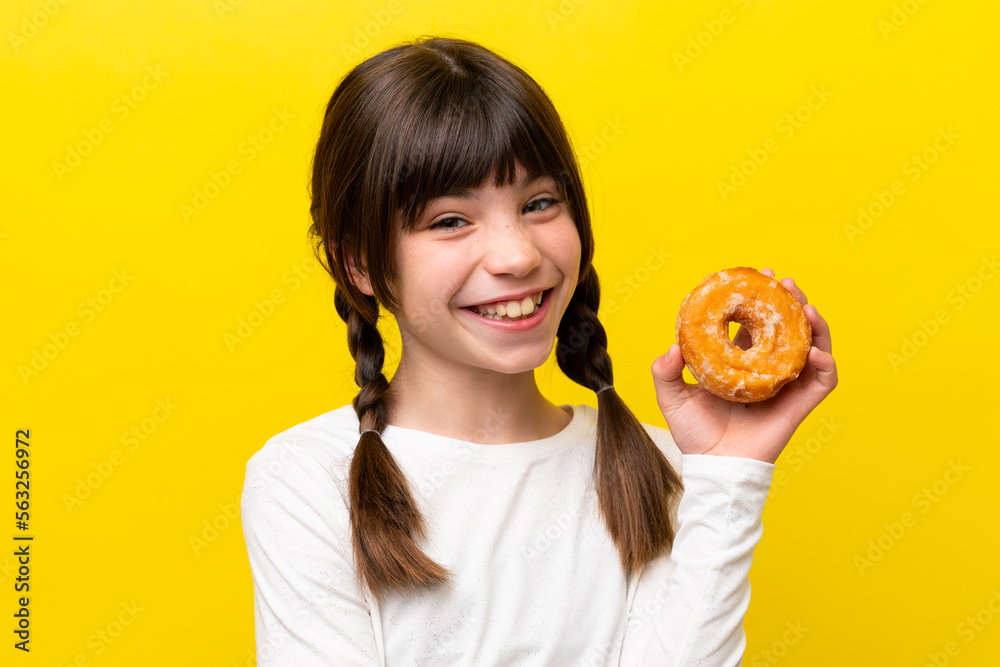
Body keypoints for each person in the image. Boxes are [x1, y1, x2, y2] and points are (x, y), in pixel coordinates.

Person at [240, 35, 837, 666]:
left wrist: (729, 475)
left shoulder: (660, 468)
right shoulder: (308, 480)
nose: (520, 255)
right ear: (358, 264)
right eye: (450, 220)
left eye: (539, 204)